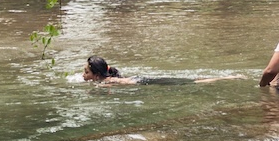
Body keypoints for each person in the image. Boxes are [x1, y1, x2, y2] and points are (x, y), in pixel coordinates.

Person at [81, 56, 239, 85]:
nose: (83, 75)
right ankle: (226, 77)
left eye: (86, 72)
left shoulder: (107, 81)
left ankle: (227, 78)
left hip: (143, 82)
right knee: (190, 81)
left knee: (192, 82)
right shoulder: (105, 78)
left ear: (96, 75)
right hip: (140, 80)